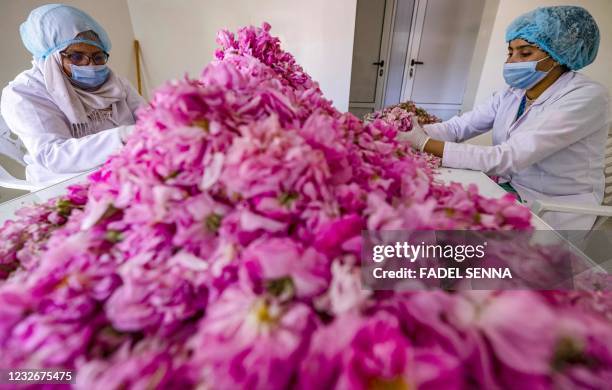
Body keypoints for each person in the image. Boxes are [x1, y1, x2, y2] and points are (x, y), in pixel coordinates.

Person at [400, 6, 610, 230]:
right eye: (510, 52)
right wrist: (407, 131)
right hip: (511, 187)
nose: (512, 61)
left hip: (555, 207)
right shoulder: (514, 91)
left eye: (525, 53)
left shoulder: (587, 96)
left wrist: (424, 143)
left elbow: (509, 156)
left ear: (558, 56)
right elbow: (461, 126)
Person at [1, 4, 145, 188]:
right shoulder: (23, 93)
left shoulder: (116, 84)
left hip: (128, 172)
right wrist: (123, 135)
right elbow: (53, 155)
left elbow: (149, 120)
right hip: (65, 187)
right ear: (49, 56)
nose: (90, 66)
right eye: (77, 57)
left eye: (98, 56)